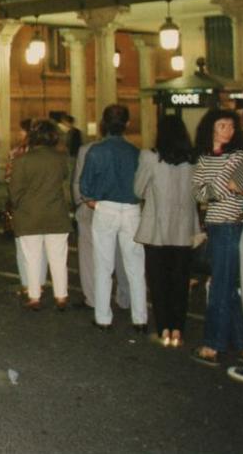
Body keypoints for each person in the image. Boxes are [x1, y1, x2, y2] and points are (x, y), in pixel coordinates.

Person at [80, 104, 146, 332]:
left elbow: (85, 187)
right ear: (127, 124)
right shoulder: (136, 152)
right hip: (131, 209)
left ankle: (103, 317)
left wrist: (94, 202)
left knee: (103, 264)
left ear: (103, 124)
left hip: (105, 208)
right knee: (135, 266)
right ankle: (140, 318)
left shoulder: (96, 151)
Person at [189, 109, 243, 370]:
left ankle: (213, 345)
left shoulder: (240, 156)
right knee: (228, 289)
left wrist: (216, 189)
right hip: (214, 225)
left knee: (220, 289)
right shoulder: (204, 158)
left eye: (232, 127)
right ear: (210, 127)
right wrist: (223, 186)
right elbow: (199, 193)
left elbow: (239, 191)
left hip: (231, 225)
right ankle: (241, 342)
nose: (228, 130)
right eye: (223, 125)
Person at [134, 115, 197, 348]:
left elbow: (138, 190)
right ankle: (179, 328)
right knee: (180, 281)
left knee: (159, 281)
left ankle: (164, 329)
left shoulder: (150, 156)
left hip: (156, 229)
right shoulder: (193, 159)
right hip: (184, 229)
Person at [8, 119, 71, 311]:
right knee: (59, 258)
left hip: (29, 215)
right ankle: (61, 296)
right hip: (56, 214)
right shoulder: (61, 158)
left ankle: (34, 297)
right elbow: (64, 182)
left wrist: (18, 207)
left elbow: (15, 191)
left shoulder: (22, 160)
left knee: (32, 258)